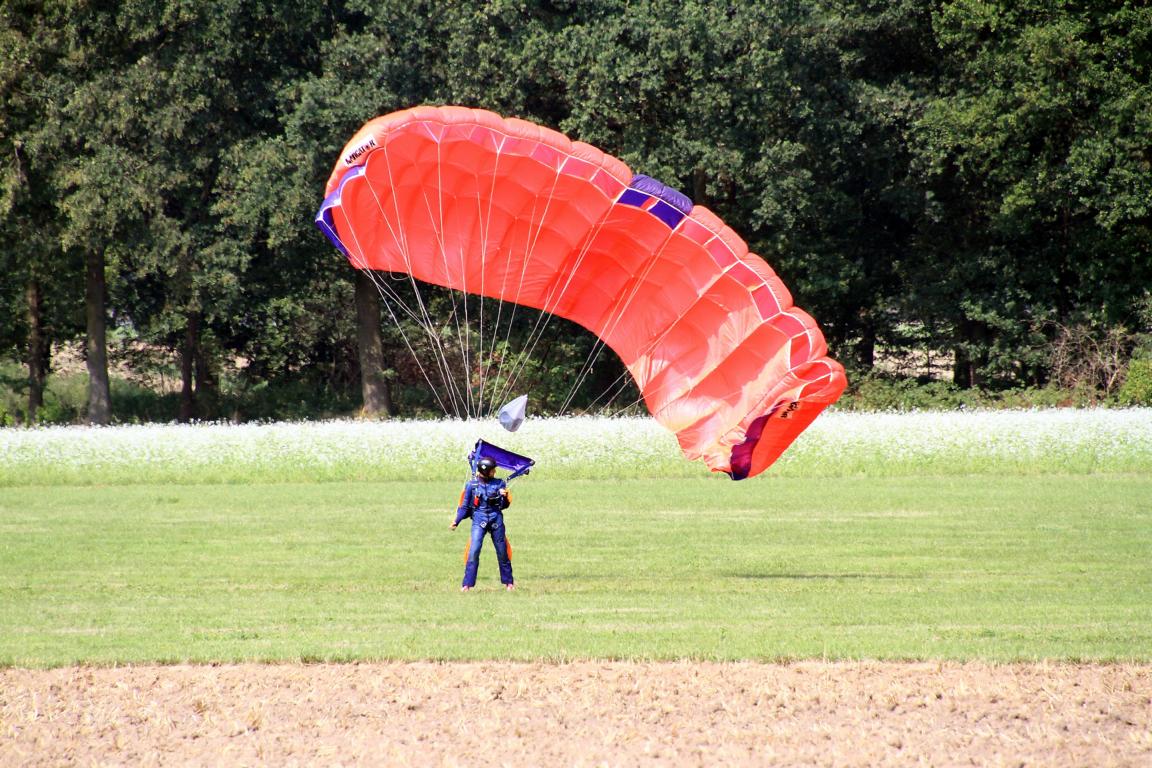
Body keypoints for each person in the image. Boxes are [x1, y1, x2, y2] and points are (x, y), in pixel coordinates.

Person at [450, 457, 514, 591]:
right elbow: (464, 506)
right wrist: (456, 521)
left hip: (496, 519)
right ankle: (467, 585)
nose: (495, 472)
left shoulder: (499, 483)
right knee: (474, 550)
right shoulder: (471, 486)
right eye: (492, 470)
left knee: (502, 551)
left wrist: (504, 497)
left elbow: (503, 506)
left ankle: (509, 583)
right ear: (486, 471)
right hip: (479, 520)